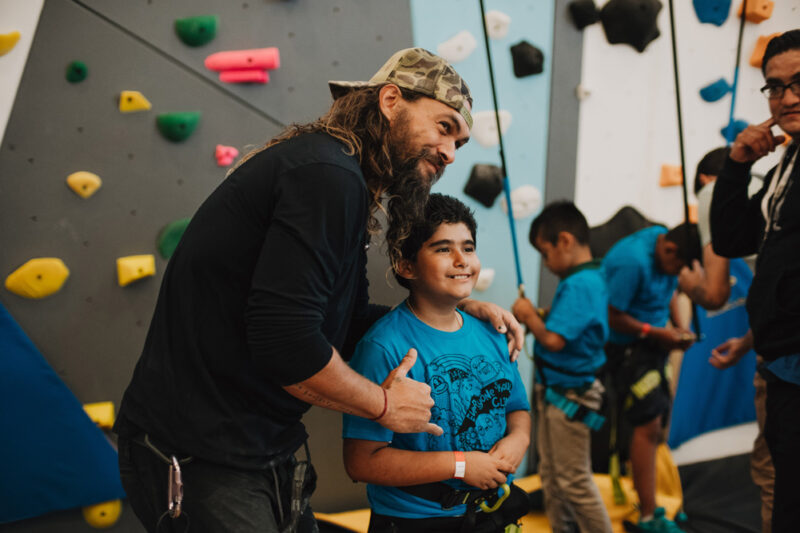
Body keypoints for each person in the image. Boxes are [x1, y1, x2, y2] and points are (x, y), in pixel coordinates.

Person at [113, 48, 524, 533]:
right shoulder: (328, 176)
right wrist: (385, 406)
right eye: (444, 126)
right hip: (200, 451)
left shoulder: (339, 176)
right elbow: (285, 341)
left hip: (261, 445)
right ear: (391, 100)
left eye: (460, 141)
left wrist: (449, 310)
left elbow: (346, 322)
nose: (451, 153)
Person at [343, 194, 531, 533]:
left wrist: (519, 439)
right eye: (443, 249)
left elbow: (517, 407)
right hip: (415, 521)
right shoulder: (384, 346)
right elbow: (361, 462)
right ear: (406, 265)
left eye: (468, 247)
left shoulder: (491, 331)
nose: (461, 260)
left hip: (491, 514)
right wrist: (460, 465)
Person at [710, 29, 800, 533]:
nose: (786, 97)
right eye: (775, 86)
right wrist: (738, 163)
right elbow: (730, 238)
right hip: (781, 365)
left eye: (798, 83)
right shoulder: (785, 163)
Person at [681, 146, 774, 533]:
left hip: (783, 355)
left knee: (771, 466)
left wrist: (691, 287)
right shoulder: (774, 185)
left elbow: (716, 294)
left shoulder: (711, 194)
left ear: (703, 180)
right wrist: (750, 339)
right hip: (772, 335)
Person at [511, 201, 613, 533]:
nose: (546, 263)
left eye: (545, 252)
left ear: (565, 241)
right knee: (553, 476)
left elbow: (555, 340)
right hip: (557, 390)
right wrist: (541, 317)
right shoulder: (583, 277)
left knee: (573, 480)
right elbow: (567, 326)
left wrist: (528, 317)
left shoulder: (582, 283)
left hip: (571, 395)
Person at [602, 223, 701, 533]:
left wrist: (680, 325)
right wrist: (655, 332)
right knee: (648, 425)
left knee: (658, 423)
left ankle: (652, 498)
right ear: (669, 250)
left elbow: (671, 286)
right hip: (627, 349)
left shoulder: (663, 237)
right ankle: (648, 515)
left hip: (655, 343)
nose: (676, 274)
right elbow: (609, 313)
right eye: (677, 266)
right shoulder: (631, 261)